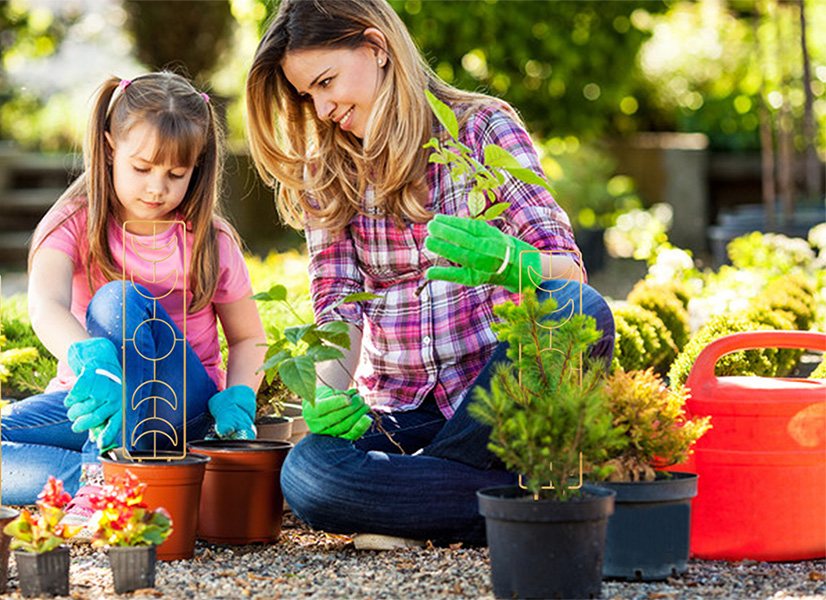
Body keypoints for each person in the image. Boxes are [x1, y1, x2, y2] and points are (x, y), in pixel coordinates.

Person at [245, 0, 614, 548]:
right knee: (308, 472)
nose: (322, 108)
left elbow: (571, 276)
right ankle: (523, 500)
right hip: (402, 411)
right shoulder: (328, 171)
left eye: (326, 82)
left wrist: (515, 263)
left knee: (580, 312)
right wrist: (326, 397)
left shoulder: (482, 127)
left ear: (377, 47)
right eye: (308, 96)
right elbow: (338, 302)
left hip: (497, 404)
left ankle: (412, 505)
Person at [0, 72, 266, 510]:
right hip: (92, 402)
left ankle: (106, 480)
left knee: (117, 300)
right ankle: (111, 482)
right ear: (109, 148)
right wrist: (91, 362)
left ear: (197, 167)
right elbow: (45, 303)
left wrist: (239, 397)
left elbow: (247, 337)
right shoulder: (73, 222)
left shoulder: (209, 238)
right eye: (142, 168)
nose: (156, 187)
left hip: (182, 406)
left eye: (176, 173)